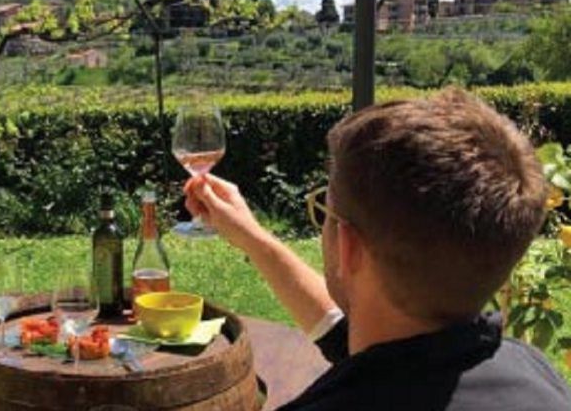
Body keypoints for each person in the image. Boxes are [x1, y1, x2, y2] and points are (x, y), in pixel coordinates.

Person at [184, 90, 571, 410]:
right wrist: (250, 234)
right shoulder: (536, 375)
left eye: (327, 210)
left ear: (349, 246)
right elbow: (361, 344)